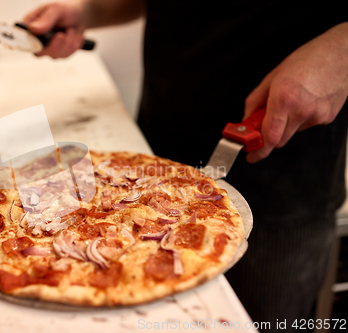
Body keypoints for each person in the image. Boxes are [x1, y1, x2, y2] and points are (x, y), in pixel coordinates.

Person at [22, 0, 348, 328]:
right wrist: (88, 11)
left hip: (283, 168)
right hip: (154, 148)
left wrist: (340, 55)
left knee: (260, 320)